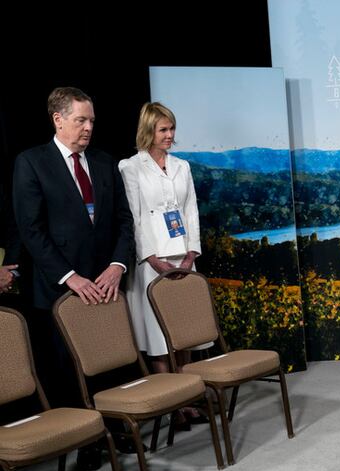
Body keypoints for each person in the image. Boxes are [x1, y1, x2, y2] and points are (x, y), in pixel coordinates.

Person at [12, 87, 134, 409]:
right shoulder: (32, 163)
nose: (89, 128)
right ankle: (86, 443)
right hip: (60, 288)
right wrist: (71, 277)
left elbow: (124, 221)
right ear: (58, 120)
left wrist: (117, 266)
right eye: (81, 120)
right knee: (69, 369)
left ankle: (117, 426)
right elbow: (31, 231)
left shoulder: (105, 162)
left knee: (109, 362)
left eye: (92, 121)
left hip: (105, 284)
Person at [119, 102, 204, 429]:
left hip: (183, 257)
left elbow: (191, 211)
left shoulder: (182, 166)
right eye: (163, 130)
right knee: (158, 336)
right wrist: (152, 259)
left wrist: (191, 254)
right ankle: (173, 405)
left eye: (172, 129)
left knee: (184, 332)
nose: (170, 135)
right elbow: (135, 218)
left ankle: (189, 398)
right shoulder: (131, 167)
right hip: (152, 262)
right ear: (149, 131)